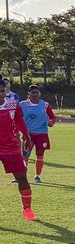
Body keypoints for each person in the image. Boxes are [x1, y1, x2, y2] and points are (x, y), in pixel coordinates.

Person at [0, 77, 35, 220]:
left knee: (22, 178)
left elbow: (19, 121)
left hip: (10, 147)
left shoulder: (13, 104)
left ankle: (27, 209)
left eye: (2, 91)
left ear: (6, 90)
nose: (0, 94)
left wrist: (27, 136)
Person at [19, 85, 58, 183]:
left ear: (40, 93)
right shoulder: (22, 105)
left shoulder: (45, 105)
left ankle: (38, 176)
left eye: (37, 92)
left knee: (40, 155)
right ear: (29, 94)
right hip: (28, 134)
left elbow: (52, 117)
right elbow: (16, 117)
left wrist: (51, 123)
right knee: (25, 155)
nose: (35, 94)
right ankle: (22, 176)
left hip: (42, 134)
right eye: (33, 92)